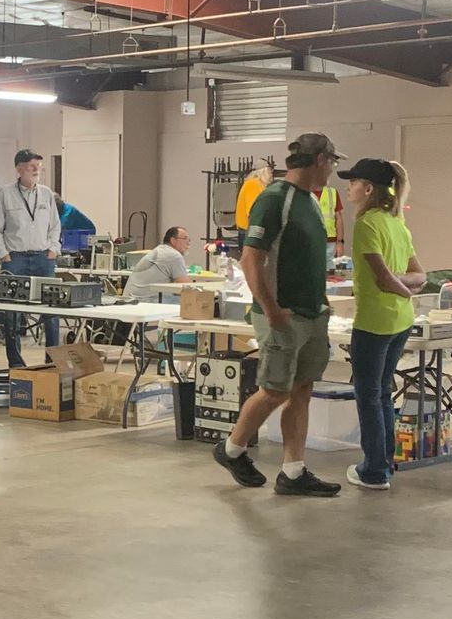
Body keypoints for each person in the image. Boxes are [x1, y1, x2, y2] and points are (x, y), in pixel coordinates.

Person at [214, 132, 343, 497]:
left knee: (302, 389)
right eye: (332, 162)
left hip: (311, 312)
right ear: (321, 160)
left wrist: (321, 302)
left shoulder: (310, 201)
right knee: (274, 390)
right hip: (283, 314)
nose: (332, 170)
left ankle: (293, 471)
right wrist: (270, 308)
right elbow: (250, 257)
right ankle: (231, 449)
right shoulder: (275, 199)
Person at [340, 158, 425, 492]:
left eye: (353, 182)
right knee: (384, 391)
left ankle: (374, 470)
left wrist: (400, 288)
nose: (348, 188)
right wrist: (407, 290)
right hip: (401, 320)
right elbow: (418, 276)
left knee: (368, 395)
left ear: (368, 189)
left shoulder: (367, 225)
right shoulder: (397, 223)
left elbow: (384, 278)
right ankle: (386, 461)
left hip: (374, 322)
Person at [0, 148, 62, 366]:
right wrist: (4, 255)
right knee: (11, 313)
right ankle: (16, 364)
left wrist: (53, 249)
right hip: (15, 259)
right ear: (19, 169)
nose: (36, 169)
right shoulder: (5, 194)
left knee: (52, 312)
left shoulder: (46, 194)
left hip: (43, 258)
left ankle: (52, 362)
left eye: (38, 166)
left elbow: (55, 226)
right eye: (31, 166)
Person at [122, 227, 191, 302]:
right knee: (190, 302)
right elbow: (185, 287)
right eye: (185, 239)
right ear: (173, 241)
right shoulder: (174, 255)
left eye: (189, 240)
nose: (188, 243)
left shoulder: (160, 250)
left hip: (130, 299)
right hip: (145, 301)